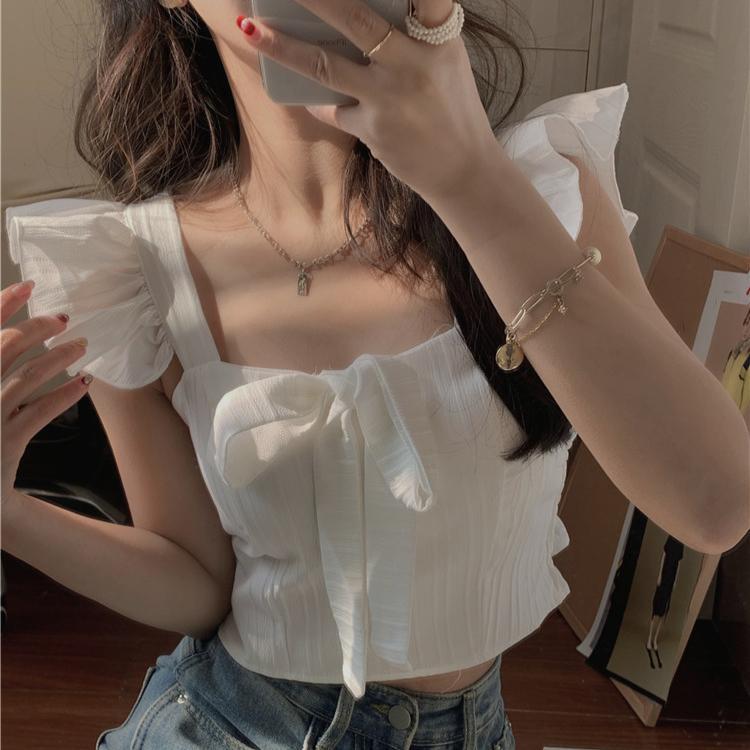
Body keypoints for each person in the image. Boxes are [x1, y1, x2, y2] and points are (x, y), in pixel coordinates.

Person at [7, 1, 731, 748]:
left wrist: (468, 173)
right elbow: (197, 583)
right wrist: (10, 514)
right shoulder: (133, 272)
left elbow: (716, 502)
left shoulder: (541, 188)